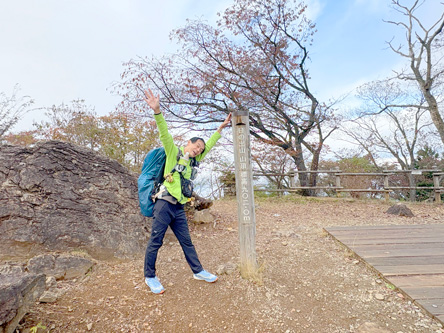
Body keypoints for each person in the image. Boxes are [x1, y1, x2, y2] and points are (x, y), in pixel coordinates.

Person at [142, 88, 232, 294]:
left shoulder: (193, 162)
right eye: (196, 145)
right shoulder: (173, 152)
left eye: (200, 148)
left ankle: (197, 271)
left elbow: (209, 145)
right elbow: (164, 133)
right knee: (156, 240)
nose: (199, 149)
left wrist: (221, 128)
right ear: (188, 143)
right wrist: (157, 111)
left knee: (187, 242)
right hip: (164, 203)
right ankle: (150, 276)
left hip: (178, 208)